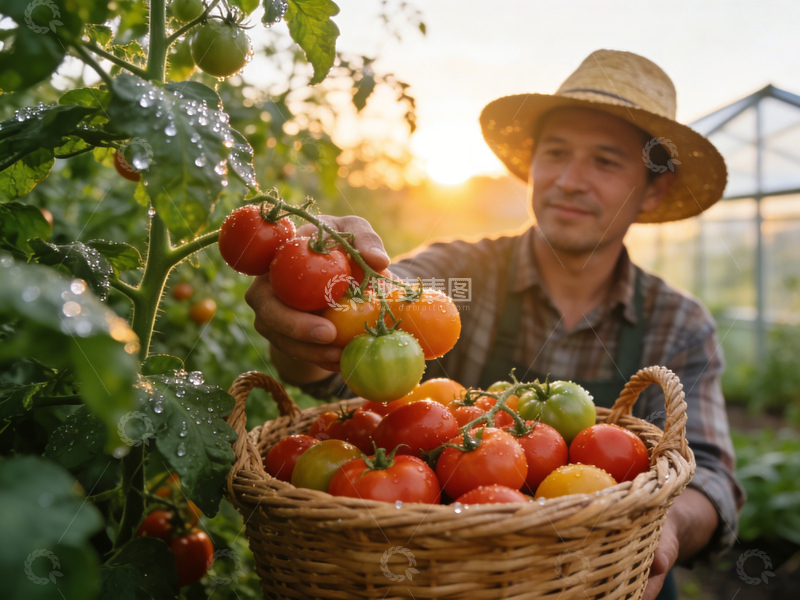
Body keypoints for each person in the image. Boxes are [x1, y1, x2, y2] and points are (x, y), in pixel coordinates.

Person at [245, 49, 746, 600]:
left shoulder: (679, 323)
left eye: (605, 161)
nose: (570, 181)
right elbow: (371, 316)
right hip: (438, 575)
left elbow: (711, 479)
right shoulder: (462, 273)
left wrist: (664, 531)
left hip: (611, 576)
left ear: (653, 189)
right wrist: (327, 288)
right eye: (556, 153)